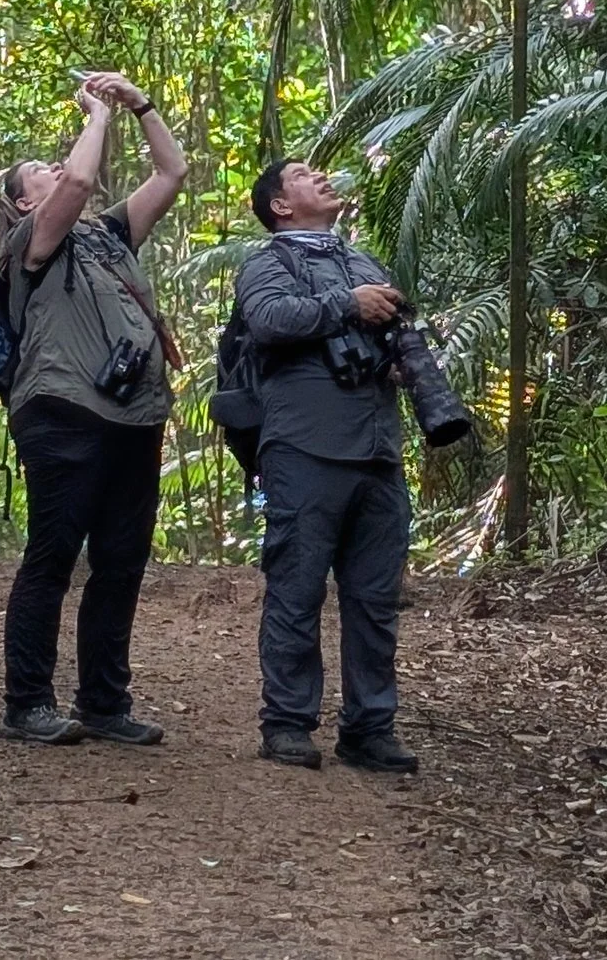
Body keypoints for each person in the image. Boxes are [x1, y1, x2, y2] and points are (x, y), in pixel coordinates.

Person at [0, 72, 188, 747]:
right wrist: (95, 115)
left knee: (122, 560)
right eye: (40, 170)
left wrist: (140, 104)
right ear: (22, 204)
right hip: (63, 411)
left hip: (135, 416)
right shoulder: (29, 248)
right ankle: (28, 704)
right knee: (53, 555)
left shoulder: (107, 238)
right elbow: (74, 185)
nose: (59, 168)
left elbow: (172, 171)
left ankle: (104, 702)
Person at [235, 158, 420, 775]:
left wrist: (398, 359)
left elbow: (392, 328)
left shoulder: (363, 261)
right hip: (305, 447)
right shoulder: (268, 262)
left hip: (377, 449)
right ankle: (286, 723)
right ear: (280, 206)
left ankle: (370, 728)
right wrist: (348, 304)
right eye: (304, 174)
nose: (322, 177)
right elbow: (268, 320)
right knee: (297, 588)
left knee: (374, 597)